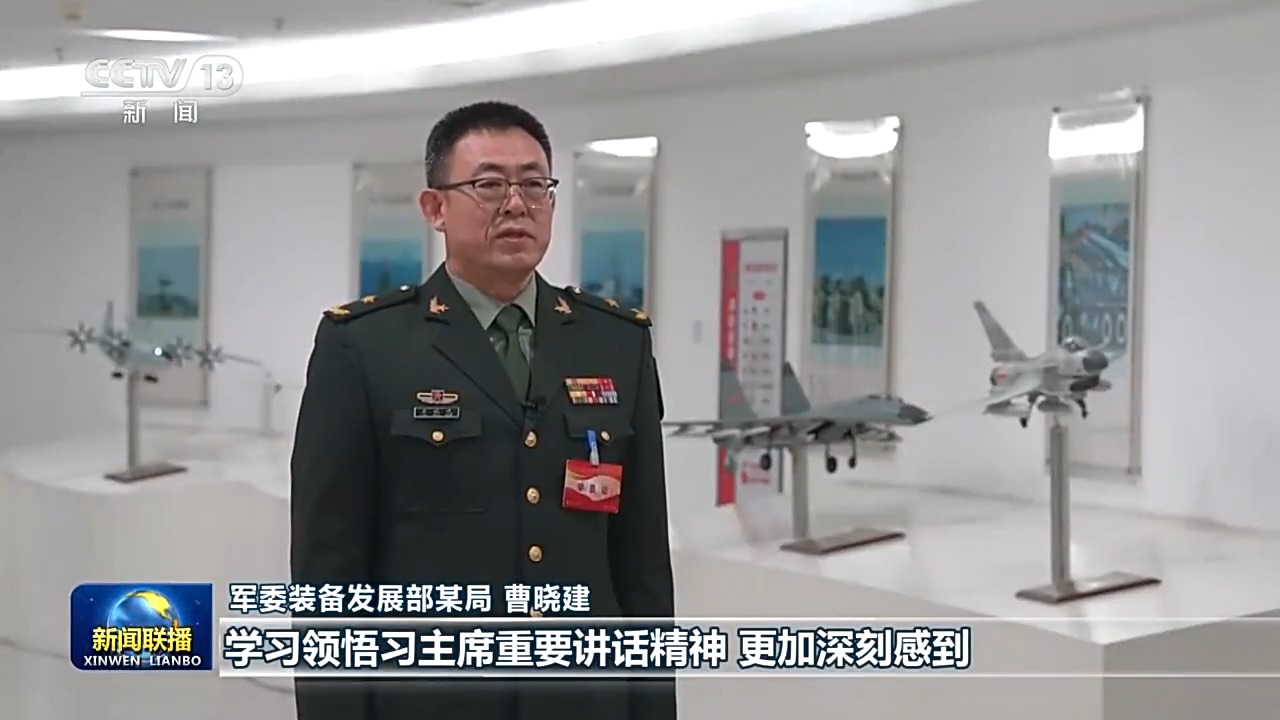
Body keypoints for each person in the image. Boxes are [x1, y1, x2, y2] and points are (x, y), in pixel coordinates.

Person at [290, 101, 676, 720]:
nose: (516, 204)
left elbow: (643, 565)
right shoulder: (365, 346)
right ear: (435, 208)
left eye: (534, 184)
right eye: (489, 185)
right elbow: (327, 580)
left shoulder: (614, 342)